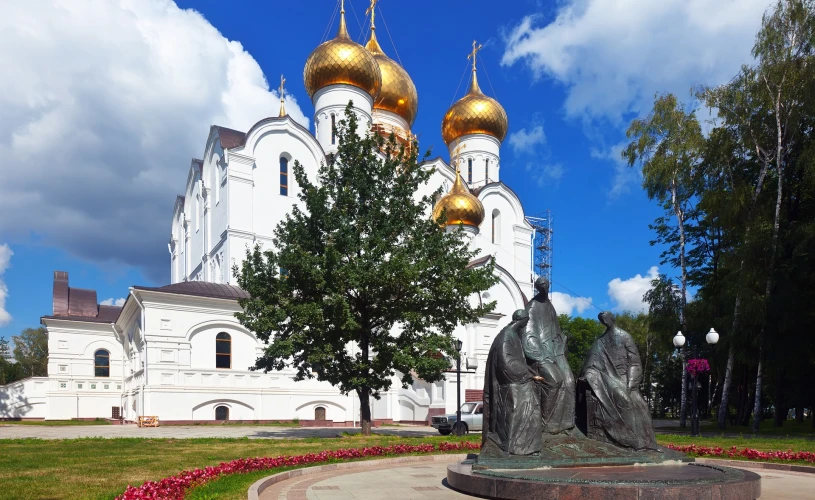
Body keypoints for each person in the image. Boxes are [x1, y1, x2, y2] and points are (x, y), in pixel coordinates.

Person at [579, 311, 657, 450]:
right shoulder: (600, 341)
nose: (604, 322)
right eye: (602, 320)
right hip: (606, 377)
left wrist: (631, 384)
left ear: (611, 319)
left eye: (606, 319)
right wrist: (588, 373)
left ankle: (645, 441)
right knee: (623, 399)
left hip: (625, 378)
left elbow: (635, 362)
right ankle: (627, 439)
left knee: (641, 405)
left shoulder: (625, 336)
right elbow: (591, 361)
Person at [482, 309, 544, 456]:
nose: (527, 323)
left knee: (533, 408)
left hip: (518, 381)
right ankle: (515, 448)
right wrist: (529, 375)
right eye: (526, 320)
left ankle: (528, 447)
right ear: (522, 320)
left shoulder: (512, 334)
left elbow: (516, 360)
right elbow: (507, 362)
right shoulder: (507, 336)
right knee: (530, 408)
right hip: (513, 383)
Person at [522, 276, 576, 435]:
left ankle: (565, 424)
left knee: (570, 382)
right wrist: (543, 355)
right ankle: (546, 425)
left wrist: (562, 342)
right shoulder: (532, 306)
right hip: (541, 353)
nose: (544, 288)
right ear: (538, 288)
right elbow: (529, 335)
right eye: (541, 286)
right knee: (555, 380)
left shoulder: (550, 306)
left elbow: (556, 330)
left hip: (556, 351)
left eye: (546, 285)